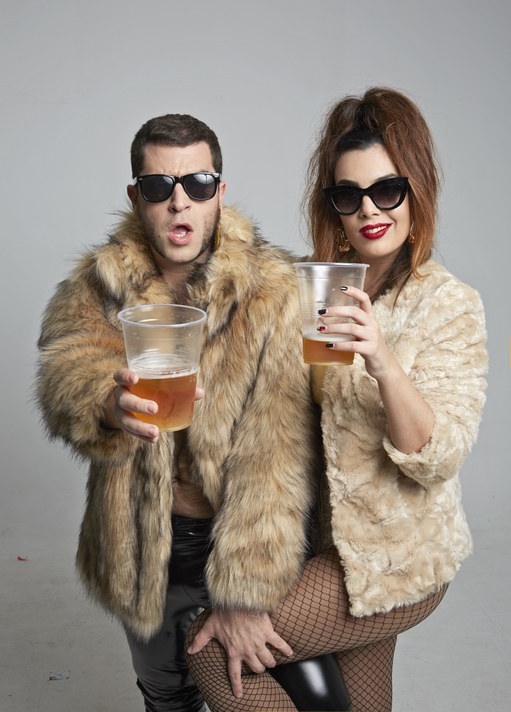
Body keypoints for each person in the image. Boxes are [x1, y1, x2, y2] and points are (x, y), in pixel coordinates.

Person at [186, 87, 489, 711]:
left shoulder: (448, 304)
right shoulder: (315, 285)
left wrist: (381, 359)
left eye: (387, 190)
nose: (369, 209)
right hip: (320, 544)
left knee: (217, 651)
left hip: (395, 558)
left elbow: (437, 456)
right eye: (348, 196)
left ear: (417, 191)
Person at [36, 113, 342, 712]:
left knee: (318, 700)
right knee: (167, 696)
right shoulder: (99, 284)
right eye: (159, 187)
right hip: (142, 546)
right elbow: (65, 366)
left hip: (249, 540)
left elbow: (277, 449)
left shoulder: (274, 289)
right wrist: (106, 401)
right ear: (136, 197)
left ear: (220, 192)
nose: (179, 202)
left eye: (197, 184)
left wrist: (245, 590)